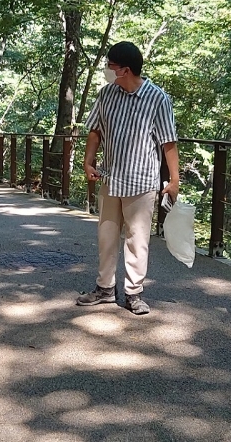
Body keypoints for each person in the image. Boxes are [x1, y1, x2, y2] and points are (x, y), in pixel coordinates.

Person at [78, 41, 180, 316]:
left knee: (137, 239)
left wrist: (174, 180)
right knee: (106, 236)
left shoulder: (157, 99)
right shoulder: (106, 94)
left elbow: (168, 141)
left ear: (125, 70)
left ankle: (134, 293)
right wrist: (88, 162)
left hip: (142, 180)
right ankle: (104, 289)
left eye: (110, 66)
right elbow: (95, 131)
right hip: (111, 176)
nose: (107, 70)